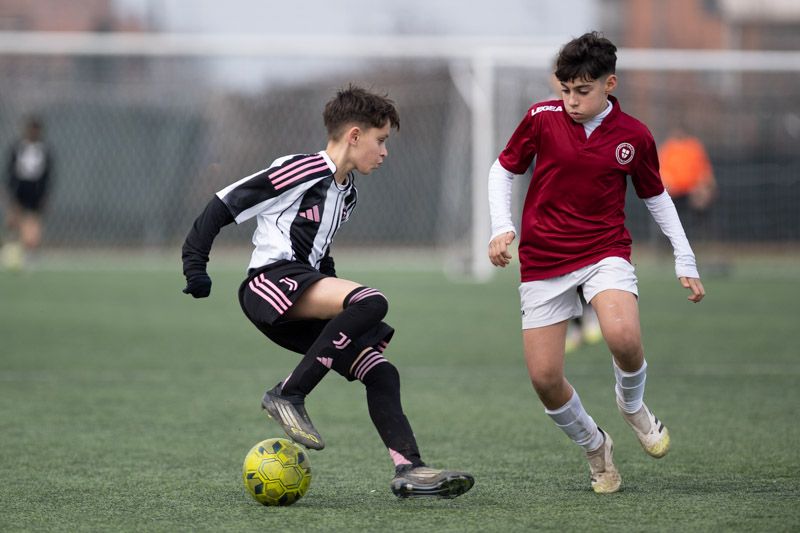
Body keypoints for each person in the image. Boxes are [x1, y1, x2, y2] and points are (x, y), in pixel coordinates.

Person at [182, 84, 474, 499]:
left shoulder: (347, 193)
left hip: (301, 293)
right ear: (354, 135)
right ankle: (288, 393)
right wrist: (195, 266)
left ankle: (410, 469)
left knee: (381, 372)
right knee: (372, 300)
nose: (385, 152)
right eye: (381, 140)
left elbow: (321, 260)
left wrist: (349, 320)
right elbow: (223, 204)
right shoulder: (301, 170)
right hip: (269, 285)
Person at [487, 32, 705, 494]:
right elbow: (503, 169)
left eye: (582, 91)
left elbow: (656, 197)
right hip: (543, 257)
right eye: (565, 89)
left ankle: (632, 406)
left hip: (604, 251)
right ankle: (595, 446)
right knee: (545, 379)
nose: (571, 100)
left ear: (610, 84)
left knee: (623, 336)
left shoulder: (634, 136)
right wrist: (500, 226)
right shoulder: (541, 118)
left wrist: (684, 257)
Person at [2, 116, 54, 270]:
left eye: (36, 130)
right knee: (13, 220)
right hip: (19, 188)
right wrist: (9, 191)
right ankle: (12, 249)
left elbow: (48, 174)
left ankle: (30, 252)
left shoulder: (44, 150)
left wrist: (45, 194)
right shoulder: (18, 148)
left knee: (32, 221)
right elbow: (10, 171)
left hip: (36, 189)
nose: (33, 132)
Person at [658, 125, 717, 239]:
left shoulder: (694, 148)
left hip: (692, 191)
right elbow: (660, 172)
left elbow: (704, 171)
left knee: (701, 199)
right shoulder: (667, 149)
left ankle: (699, 235)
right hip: (673, 192)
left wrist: (702, 187)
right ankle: (667, 237)